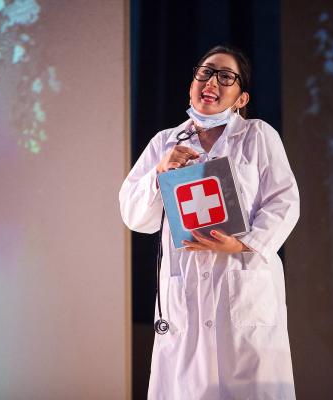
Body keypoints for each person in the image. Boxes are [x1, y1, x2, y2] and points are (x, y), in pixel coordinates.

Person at [119, 45, 299, 400]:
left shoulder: (257, 136)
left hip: (242, 280)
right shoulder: (164, 143)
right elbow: (135, 215)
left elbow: (285, 200)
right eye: (204, 72)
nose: (211, 81)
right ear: (191, 86)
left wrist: (244, 244)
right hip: (185, 290)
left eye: (226, 76)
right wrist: (159, 173)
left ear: (241, 97)